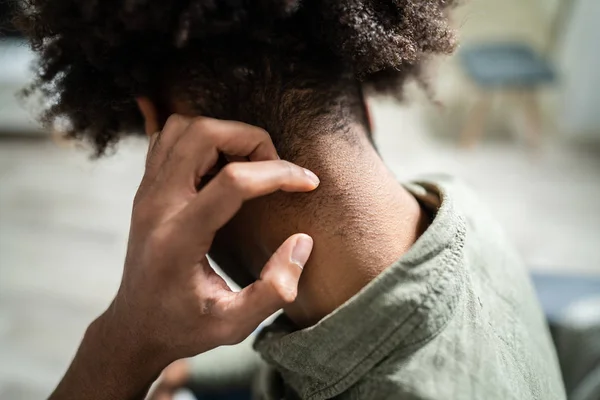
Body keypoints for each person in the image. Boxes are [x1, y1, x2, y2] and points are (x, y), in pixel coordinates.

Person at [14, 1, 566, 399]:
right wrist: (191, 373)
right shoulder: (457, 205)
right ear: (360, 94)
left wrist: (123, 344)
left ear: (156, 126)